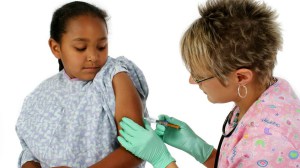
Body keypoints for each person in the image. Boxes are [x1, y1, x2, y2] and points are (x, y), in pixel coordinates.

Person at [117, 0, 300, 167]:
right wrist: (201, 150)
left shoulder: (270, 144)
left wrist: (162, 160)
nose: (192, 81)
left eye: (200, 76)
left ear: (241, 77)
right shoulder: (272, 90)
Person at [15, 1, 149, 168]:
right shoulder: (39, 96)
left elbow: (138, 148)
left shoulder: (115, 77)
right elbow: (29, 152)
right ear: (56, 48)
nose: (93, 56)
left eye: (101, 46)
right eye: (80, 48)